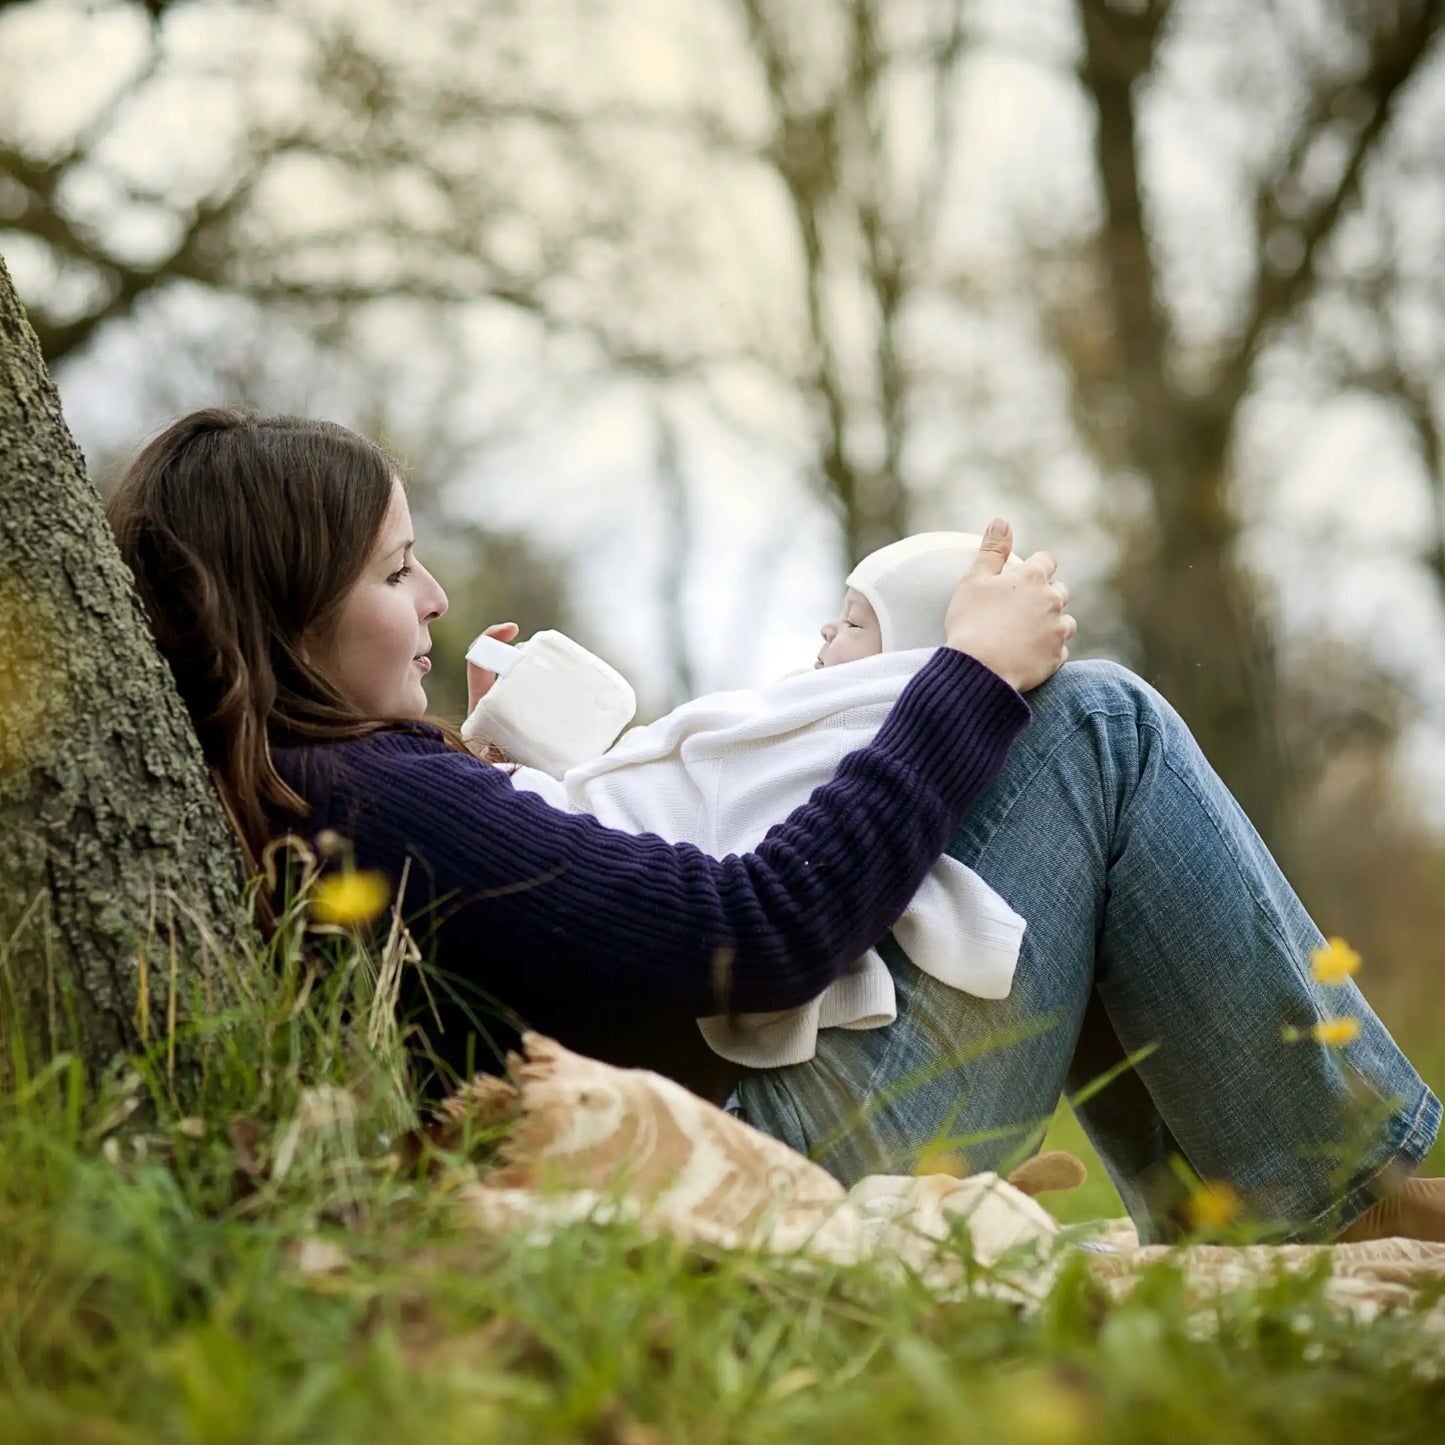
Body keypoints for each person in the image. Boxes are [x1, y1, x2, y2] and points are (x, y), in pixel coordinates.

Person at [106, 408, 1443, 1246]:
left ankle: (1251, 1206)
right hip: (776, 1144)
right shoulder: (364, 795)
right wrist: (964, 679)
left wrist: (495, 776)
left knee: (1046, 823)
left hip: (724, 1111)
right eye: (397, 572)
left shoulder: (335, 788)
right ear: (286, 615)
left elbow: (561, 943)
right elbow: (759, 931)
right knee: (1093, 727)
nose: (441, 595)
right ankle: (1364, 1183)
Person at [484, 534, 1033, 1072]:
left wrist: (492, 751)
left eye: (855, 623)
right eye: (397, 571)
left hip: (580, 887)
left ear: (896, 671)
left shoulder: (836, 730)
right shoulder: (784, 726)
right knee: (1095, 703)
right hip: (698, 1016)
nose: (827, 628)